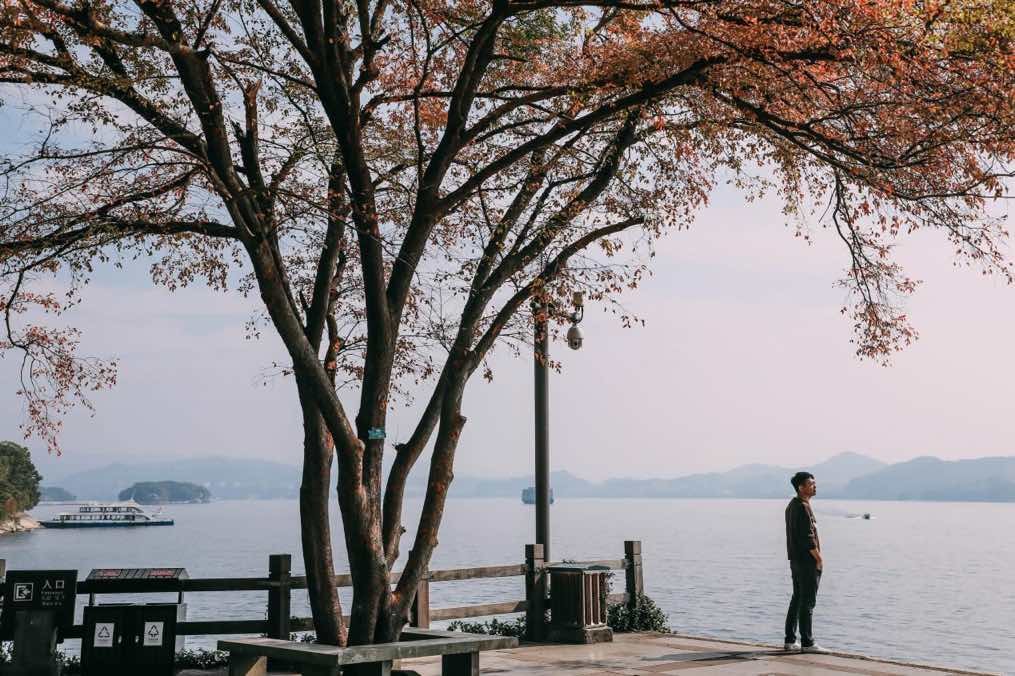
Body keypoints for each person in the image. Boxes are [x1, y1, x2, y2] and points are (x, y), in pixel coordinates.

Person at [784, 471, 830, 654]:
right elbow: (808, 537)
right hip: (806, 561)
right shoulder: (802, 507)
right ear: (801, 487)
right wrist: (818, 558)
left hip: (796, 560)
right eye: (811, 483)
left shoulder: (792, 505)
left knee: (797, 599)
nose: (815, 486)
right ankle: (808, 643)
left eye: (814, 483)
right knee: (807, 602)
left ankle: (790, 640)